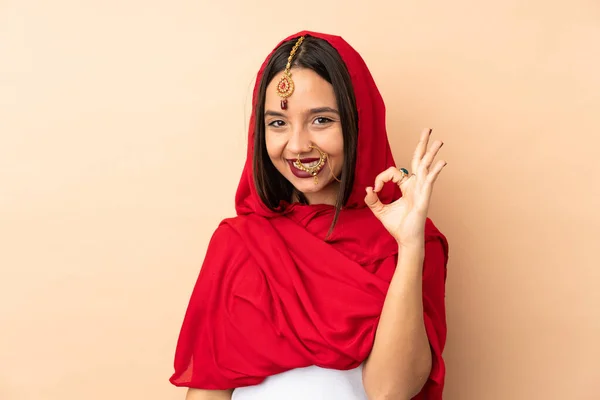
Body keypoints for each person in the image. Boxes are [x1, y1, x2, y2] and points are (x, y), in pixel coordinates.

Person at [169, 31, 449, 400]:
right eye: (278, 123)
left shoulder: (412, 241)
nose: (298, 145)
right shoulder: (239, 243)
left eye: (320, 120)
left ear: (357, 122)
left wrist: (409, 247)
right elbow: (208, 392)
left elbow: (390, 392)